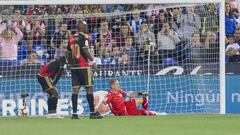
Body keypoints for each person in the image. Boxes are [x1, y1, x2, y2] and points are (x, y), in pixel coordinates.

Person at [68, 20, 103, 119]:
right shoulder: (84, 36)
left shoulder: (71, 37)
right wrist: (93, 61)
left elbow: (68, 52)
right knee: (89, 88)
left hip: (74, 67)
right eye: (86, 26)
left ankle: (74, 114)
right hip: (83, 66)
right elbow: (85, 50)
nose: (87, 28)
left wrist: (70, 63)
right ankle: (92, 113)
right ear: (82, 27)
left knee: (75, 90)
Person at [96, 79, 162, 116]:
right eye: (117, 84)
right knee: (144, 113)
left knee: (144, 99)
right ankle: (154, 113)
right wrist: (96, 112)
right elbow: (103, 103)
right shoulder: (110, 95)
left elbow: (130, 95)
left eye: (118, 83)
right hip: (125, 112)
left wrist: (141, 93)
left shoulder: (120, 91)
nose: (119, 85)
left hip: (126, 105)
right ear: (112, 86)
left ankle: (147, 110)